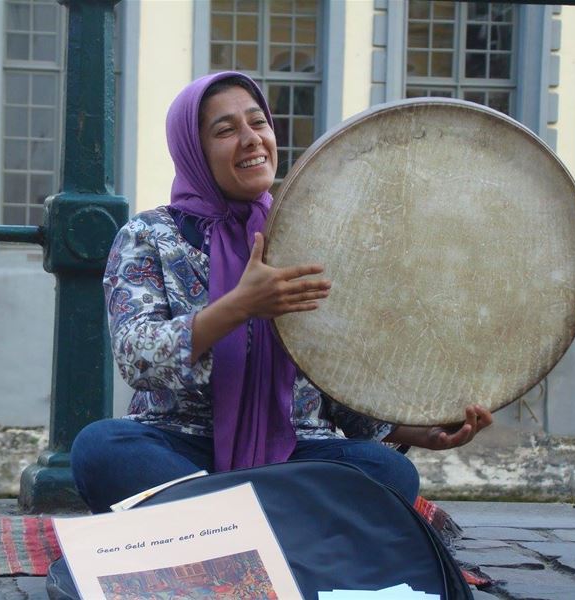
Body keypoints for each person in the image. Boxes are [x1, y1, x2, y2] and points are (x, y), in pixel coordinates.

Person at [71, 71, 493, 514]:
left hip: (296, 450)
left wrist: (420, 431)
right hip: (181, 446)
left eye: (259, 123)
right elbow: (136, 357)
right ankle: (274, 525)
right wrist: (240, 307)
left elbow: (339, 379)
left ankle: (212, 525)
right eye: (226, 130)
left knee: (391, 473)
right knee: (100, 449)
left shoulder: (315, 236)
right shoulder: (149, 235)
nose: (251, 139)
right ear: (194, 150)